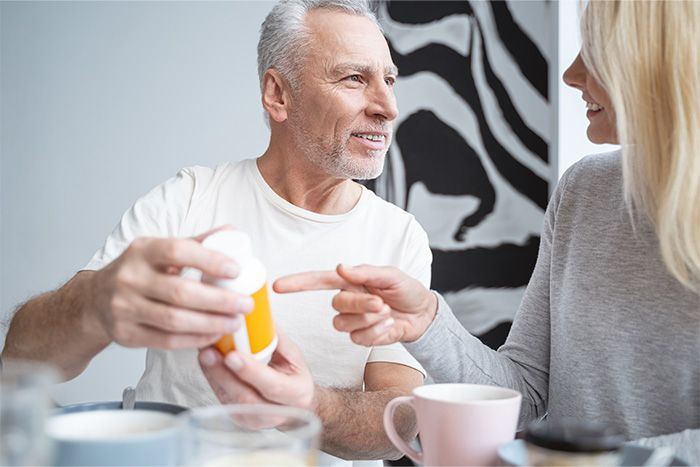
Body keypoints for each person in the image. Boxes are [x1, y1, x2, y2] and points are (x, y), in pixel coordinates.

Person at [1, 0, 429, 463]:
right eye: (354, 78)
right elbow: (21, 356)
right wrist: (95, 305)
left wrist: (306, 406)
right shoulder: (189, 198)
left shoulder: (399, 236)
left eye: (388, 80)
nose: (388, 107)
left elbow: (400, 420)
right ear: (278, 95)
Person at [274, 0, 700, 443]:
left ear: (661, 61)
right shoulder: (583, 191)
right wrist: (427, 322)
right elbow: (526, 393)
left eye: (596, 51)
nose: (572, 75)